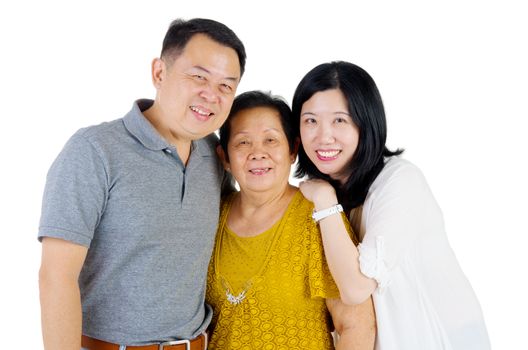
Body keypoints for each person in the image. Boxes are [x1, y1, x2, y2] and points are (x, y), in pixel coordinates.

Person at [38, 18, 246, 350]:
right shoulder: (94, 150)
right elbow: (56, 278)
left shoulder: (214, 154)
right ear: (159, 73)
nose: (211, 95)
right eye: (198, 76)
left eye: (226, 86)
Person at [292, 61, 491, 349]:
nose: (324, 136)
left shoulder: (400, 181)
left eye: (340, 120)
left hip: (435, 338)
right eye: (311, 120)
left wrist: (324, 200)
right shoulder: (326, 189)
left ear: (367, 122)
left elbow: (356, 288)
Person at [206, 90, 376, 349]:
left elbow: (356, 326)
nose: (258, 153)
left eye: (271, 140)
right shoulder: (211, 217)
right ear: (224, 157)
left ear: (293, 149)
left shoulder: (318, 217)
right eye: (243, 142)